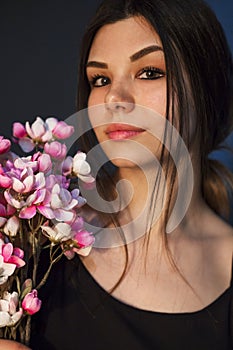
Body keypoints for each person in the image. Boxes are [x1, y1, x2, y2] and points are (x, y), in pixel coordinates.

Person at [1, 0, 233, 349]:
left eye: (150, 72)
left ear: (207, 87)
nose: (114, 96)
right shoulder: (33, 239)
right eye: (100, 78)